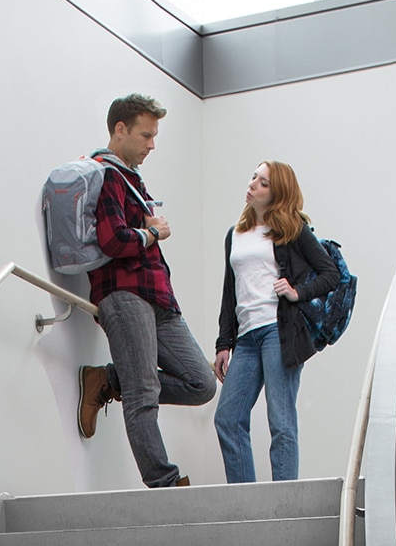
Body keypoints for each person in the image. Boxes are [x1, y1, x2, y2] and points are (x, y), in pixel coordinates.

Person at [76, 93, 216, 488]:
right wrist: (153, 232)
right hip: (123, 293)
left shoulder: (129, 176)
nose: (152, 144)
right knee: (144, 392)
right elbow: (112, 240)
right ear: (119, 130)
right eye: (145, 135)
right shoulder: (105, 173)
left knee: (201, 383)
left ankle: (107, 379)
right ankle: (165, 485)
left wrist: (150, 232)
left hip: (158, 296)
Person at [212, 160, 339, 483]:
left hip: (278, 332)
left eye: (264, 182)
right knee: (228, 418)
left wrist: (298, 292)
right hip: (246, 339)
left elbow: (331, 273)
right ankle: (246, 502)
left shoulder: (291, 229)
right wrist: (224, 343)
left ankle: (284, 501)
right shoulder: (236, 234)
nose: (253, 184)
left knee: (280, 421)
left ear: (278, 193)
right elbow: (231, 292)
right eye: (254, 176)